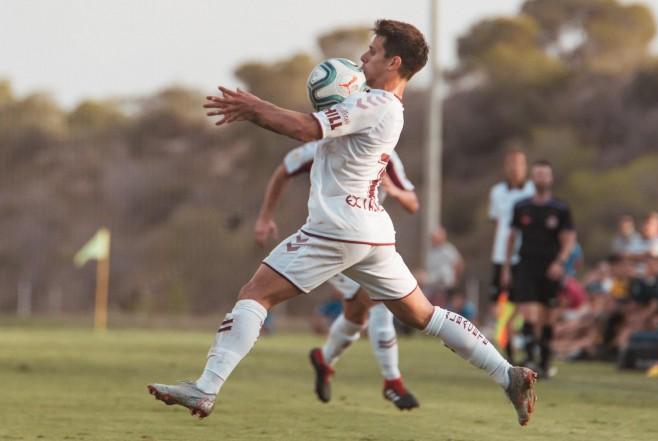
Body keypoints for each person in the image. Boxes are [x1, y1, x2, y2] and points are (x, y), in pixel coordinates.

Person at [148, 19, 537, 427]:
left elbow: (304, 128)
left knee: (256, 294)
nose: (364, 56)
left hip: (337, 227)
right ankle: (506, 373)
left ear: (394, 62)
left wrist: (253, 107)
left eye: (373, 51)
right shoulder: (374, 103)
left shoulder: (376, 105)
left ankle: (206, 387)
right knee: (424, 315)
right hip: (372, 233)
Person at [254, 139, 420, 410]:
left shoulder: (387, 153)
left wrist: (396, 192)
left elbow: (413, 203)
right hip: (330, 240)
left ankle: (324, 359)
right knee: (379, 302)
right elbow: (284, 169)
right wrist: (265, 216)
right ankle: (393, 381)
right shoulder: (327, 144)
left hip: (367, 242)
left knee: (356, 314)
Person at [501, 160, 576, 379]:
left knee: (548, 319)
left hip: (550, 268)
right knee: (529, 316)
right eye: (537, 174)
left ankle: (544, 362)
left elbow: (569, 240)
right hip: (526, 265)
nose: (541, 178)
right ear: (533, 178)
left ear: (550, 178)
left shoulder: (560, 209)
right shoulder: (522, 206)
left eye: (545, 174)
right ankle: (530, 360)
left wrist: (560, 262)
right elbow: (511, 237)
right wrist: (506, 267)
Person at [487, 147, 535, 360]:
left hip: (524, 257)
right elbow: (498, 223)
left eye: (519, 164)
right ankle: (508, 355)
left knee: (524, 306)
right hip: (500, 256)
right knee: (498, 307)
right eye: (512, 164)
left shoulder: (532, 191)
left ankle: (529, 351)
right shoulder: (497, 192)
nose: (515, 168)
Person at [421, 226, 464, 306]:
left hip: (445, 283)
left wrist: (456, 279)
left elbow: (458, 264)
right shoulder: (430, 252)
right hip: (433, 283)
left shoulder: (448, 249)